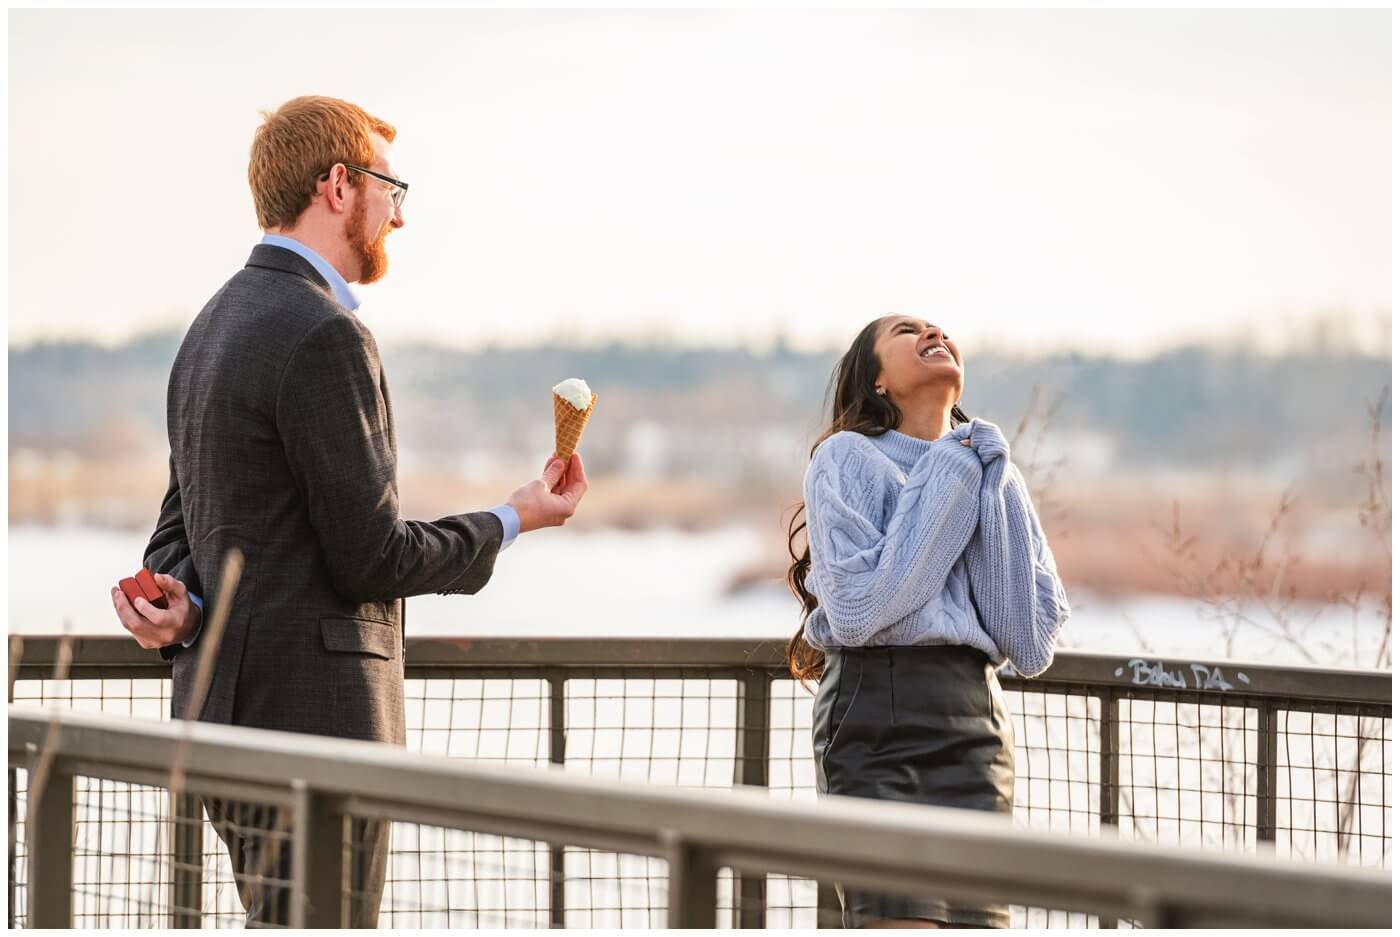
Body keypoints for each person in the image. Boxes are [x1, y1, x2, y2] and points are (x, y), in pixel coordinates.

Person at [108, 95, 589, 926]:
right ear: (338, 185)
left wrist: (182, 606)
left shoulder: (211, 325)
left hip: (220, 716)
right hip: (316, 729)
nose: (398, 215)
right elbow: (373, 558)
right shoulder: (324, 332)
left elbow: (175, 535)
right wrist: (512, 518)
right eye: (391, 188)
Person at [786, 315, 1070, 929]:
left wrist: (987, 482)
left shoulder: (992, 471)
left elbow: (1029, 641)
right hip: (876, 721)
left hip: (977, 729)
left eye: (939, 328)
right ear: (878, 379)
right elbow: (860, 613)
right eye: (906, 332)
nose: (932, 333)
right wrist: (952, 471)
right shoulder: (846, 459)